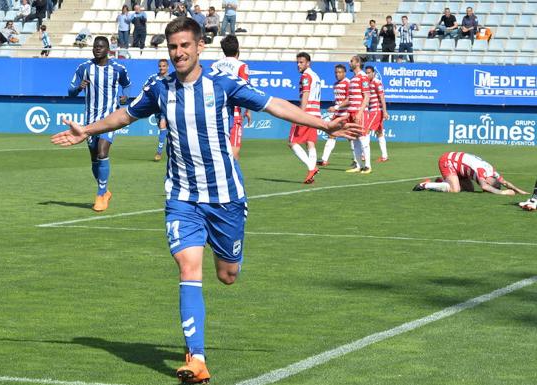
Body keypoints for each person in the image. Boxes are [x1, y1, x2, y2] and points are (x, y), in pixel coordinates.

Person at [51, 17, 361, 384]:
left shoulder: (223, 84)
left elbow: (273, 104)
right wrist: (86, 129)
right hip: (182, 197)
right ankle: (196, 357)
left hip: (226, 197)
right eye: (173, 47)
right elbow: (125, 114)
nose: (178, 53)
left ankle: (220, 281)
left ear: (200, 47)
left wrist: (323, 124)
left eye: (185, 46)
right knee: (188, 267)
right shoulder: (159, 88)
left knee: (227, 275)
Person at [67, 36, 131, 211]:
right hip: (90, 121)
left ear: (108, 49)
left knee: (103, 152)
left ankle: (100, 194)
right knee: (95, 158)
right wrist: (79, 87)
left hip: (109, 119)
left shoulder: (118, 69)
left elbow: (127, 85)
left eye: (101, 46)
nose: (97, 49)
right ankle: (105, 191)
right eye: (95, 46)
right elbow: (70, 91)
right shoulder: (84, 68)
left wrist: (125, 96)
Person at [211, 35, 251, 161]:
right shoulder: (241, 66)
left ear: (223, 50)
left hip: (216, 113)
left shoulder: (214, 65)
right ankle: (234, 179)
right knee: (234, 153)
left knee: (219, 153)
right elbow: (244, 90)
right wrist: (248, 110)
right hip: (234, 113)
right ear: (237, 49)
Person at [413, 152, 528, 195]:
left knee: (469, 190)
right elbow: (484, 186)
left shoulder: (492, 172)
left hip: (460, 169)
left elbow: (505, 182)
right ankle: (425, 185)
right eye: (488, 187)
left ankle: (441, 182)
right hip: (448, 161)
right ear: (489, 181)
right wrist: (502, 192)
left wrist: (520, 191)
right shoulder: (482, 172)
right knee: (455, 190)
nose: (484, 188)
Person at [288, 52, 322, 184]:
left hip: (306, 113)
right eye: (297, 62)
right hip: (316, 113)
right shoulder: (316, 76)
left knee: (292, 142)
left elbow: (306, 95)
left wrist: (300, 115)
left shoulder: (306, 76)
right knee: (310, 143)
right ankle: (311, 175)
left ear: (308, 63)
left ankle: (312, 168)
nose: (298, 64)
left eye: (301, 62)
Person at [318, 64, 349, 166]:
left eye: (340, 72)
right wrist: (336, 108)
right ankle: (324, 159)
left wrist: (336, 107)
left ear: (345, 73)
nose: (337, 74)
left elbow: (349, 99)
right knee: (331, 134)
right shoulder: (335, 84)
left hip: (347, 113)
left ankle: (360, 157)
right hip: (338, 113)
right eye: (336, 72)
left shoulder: (348, 83)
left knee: (351, 136)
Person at [345, 55, 371, 174]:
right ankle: (358, 165)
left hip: (358, 111)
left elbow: (367, 96)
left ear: (358, 63)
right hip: (351, 111)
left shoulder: (363, 77)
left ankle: (368, 166)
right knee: (354, 139)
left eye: (351, 61)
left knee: (362, 138)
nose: (349, 63)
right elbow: (350, 98)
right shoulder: (353, 78)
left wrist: (360, 112)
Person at [145, 58, 169, 162]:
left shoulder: (172, 78)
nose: (162, 68)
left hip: (168, 107)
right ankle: (171, 149)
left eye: (164, 66)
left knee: (163, 126)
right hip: (157, 108)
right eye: (160, 66)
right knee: (163, 129)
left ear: (167, 67)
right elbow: (145, 88)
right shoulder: (153, 77)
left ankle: (159, 153)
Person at [364, 66, 389, 162]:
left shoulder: (377, 82)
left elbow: (382, 97)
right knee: (379, 133)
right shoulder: (367, 83)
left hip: (376, 110)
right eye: (366, 72)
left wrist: (385, 111)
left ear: (373, 73)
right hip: (373, 110)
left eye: (369, 72)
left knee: (366, 130)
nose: (367, 74)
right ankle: (384, 156)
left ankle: (364, 154)